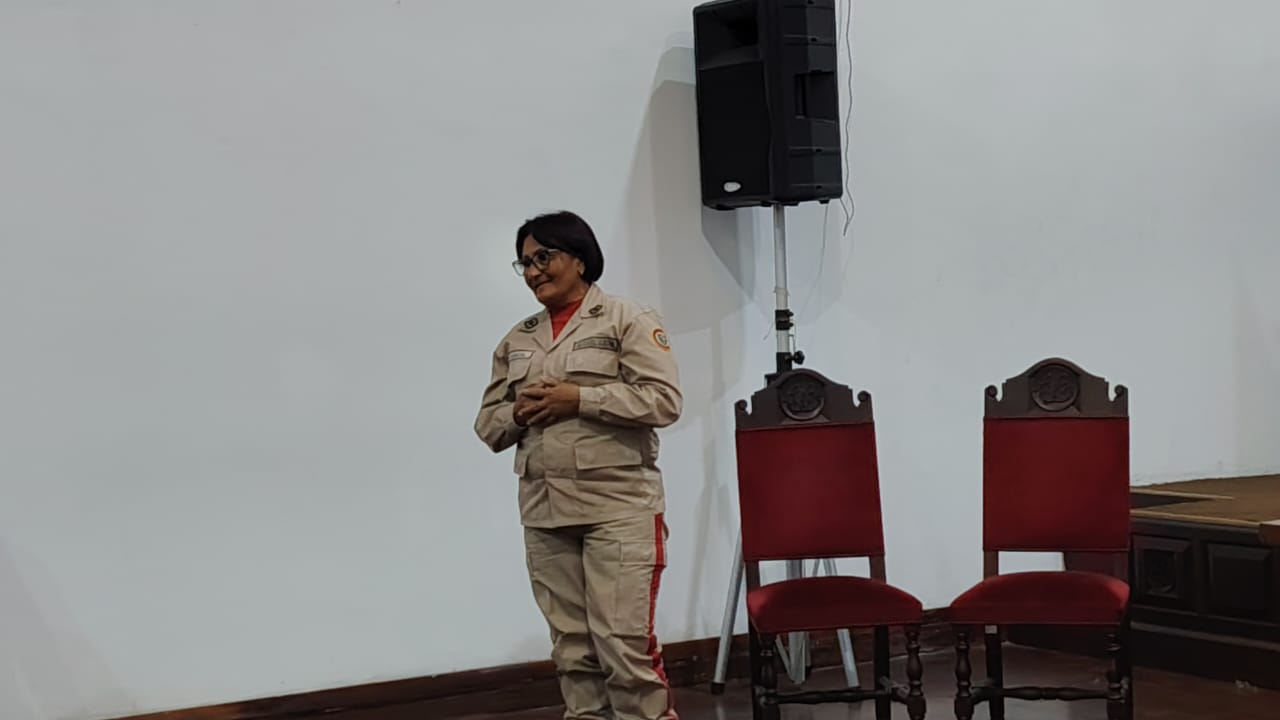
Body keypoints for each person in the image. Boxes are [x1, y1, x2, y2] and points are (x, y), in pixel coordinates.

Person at [474, 210, 683, 720]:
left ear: (580, 258)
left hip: (619, 509)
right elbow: (488, 426)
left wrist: (581, 398)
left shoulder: (626, 318)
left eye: (543, 257)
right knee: (573, 653)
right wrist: (518, 413)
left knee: (624, 650)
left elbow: (663, 401)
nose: (533, 272)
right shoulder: (517, 339)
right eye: (525, 263)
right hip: (545, 514)